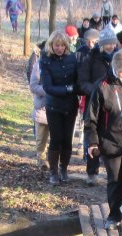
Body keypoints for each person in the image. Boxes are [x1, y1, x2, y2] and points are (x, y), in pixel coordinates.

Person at [86, 48, 122, 227]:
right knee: (115, 180)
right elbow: (91, 119)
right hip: (110, 141)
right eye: (121, 71)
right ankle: (115, 215)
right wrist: (93, 142)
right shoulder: (103, 86)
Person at [39, 30, 79, 186]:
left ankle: (64, 169)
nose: (60, 48)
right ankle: (53, 172)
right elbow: (48, 87)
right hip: (54, 106)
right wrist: (68, 90)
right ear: (51, 45)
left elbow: (78, 81)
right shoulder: (45, 60)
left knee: (67, 139)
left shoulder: (72, 59)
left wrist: (76, 89)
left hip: (70, 106)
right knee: (56, 139)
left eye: (62, 45)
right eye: (57, 45)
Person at [78, 27, 117, 184]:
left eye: (113, 44)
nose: (111, 47)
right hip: (94, 104)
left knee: (112, 137)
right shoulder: (91, 58)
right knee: (93, 138)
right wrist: (95, 90)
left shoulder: (118, 58)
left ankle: (112, 172)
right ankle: (92, 173)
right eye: (108, 44)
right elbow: (81, 83)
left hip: (113, 104)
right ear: (101, 44)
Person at [29, 55, 49, 171]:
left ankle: (54, 161)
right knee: (41, 139)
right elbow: (33, 85)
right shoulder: (39, 64)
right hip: (42, 107)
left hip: (57, 107)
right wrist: (48, 90)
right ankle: (41, 160)